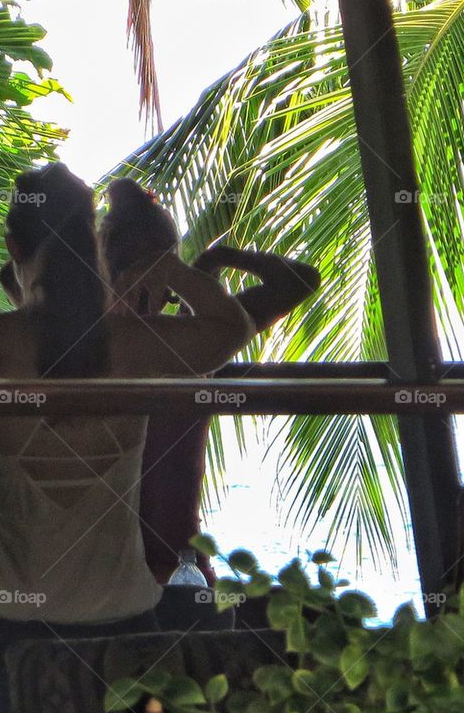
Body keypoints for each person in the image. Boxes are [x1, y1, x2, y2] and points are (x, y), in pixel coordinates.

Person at [0, 163, 255, 695]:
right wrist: (170, 269)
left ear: (14, 249)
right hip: (125, 628)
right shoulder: (138, 344)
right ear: (91, 249)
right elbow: (231, 330)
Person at [97, 179, 321, 584]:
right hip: (179, 572)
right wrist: (212, 263)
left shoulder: (69, 347)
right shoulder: (196, 344)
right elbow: (299, 279)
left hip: (108, 575)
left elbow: (303, 279)